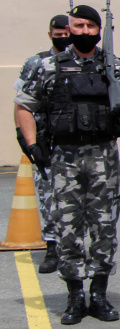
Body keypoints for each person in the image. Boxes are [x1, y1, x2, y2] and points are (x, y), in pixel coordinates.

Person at [14, 4, 120, 324]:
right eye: (78, 26)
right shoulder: (48, 66)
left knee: (104, 226)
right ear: (69, 29)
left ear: (99, 30)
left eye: (90, 26)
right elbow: (24, 106)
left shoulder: (113, 65)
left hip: (103, 155)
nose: (84, 31)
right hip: (64, 157)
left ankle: (98, 293)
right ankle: (74, 296)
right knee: (67, 227)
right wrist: (32, 145)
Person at [13, 14, 70, 273]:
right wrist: (23, 136)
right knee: (48, 195)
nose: (63, 38)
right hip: (45, 138)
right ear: (50, 35)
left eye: (66, 34)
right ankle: (51, 247)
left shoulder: (81, 61)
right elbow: (22, 101)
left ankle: (74, 248)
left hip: (73, 138)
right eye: (58, 35)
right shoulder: (36, 62)